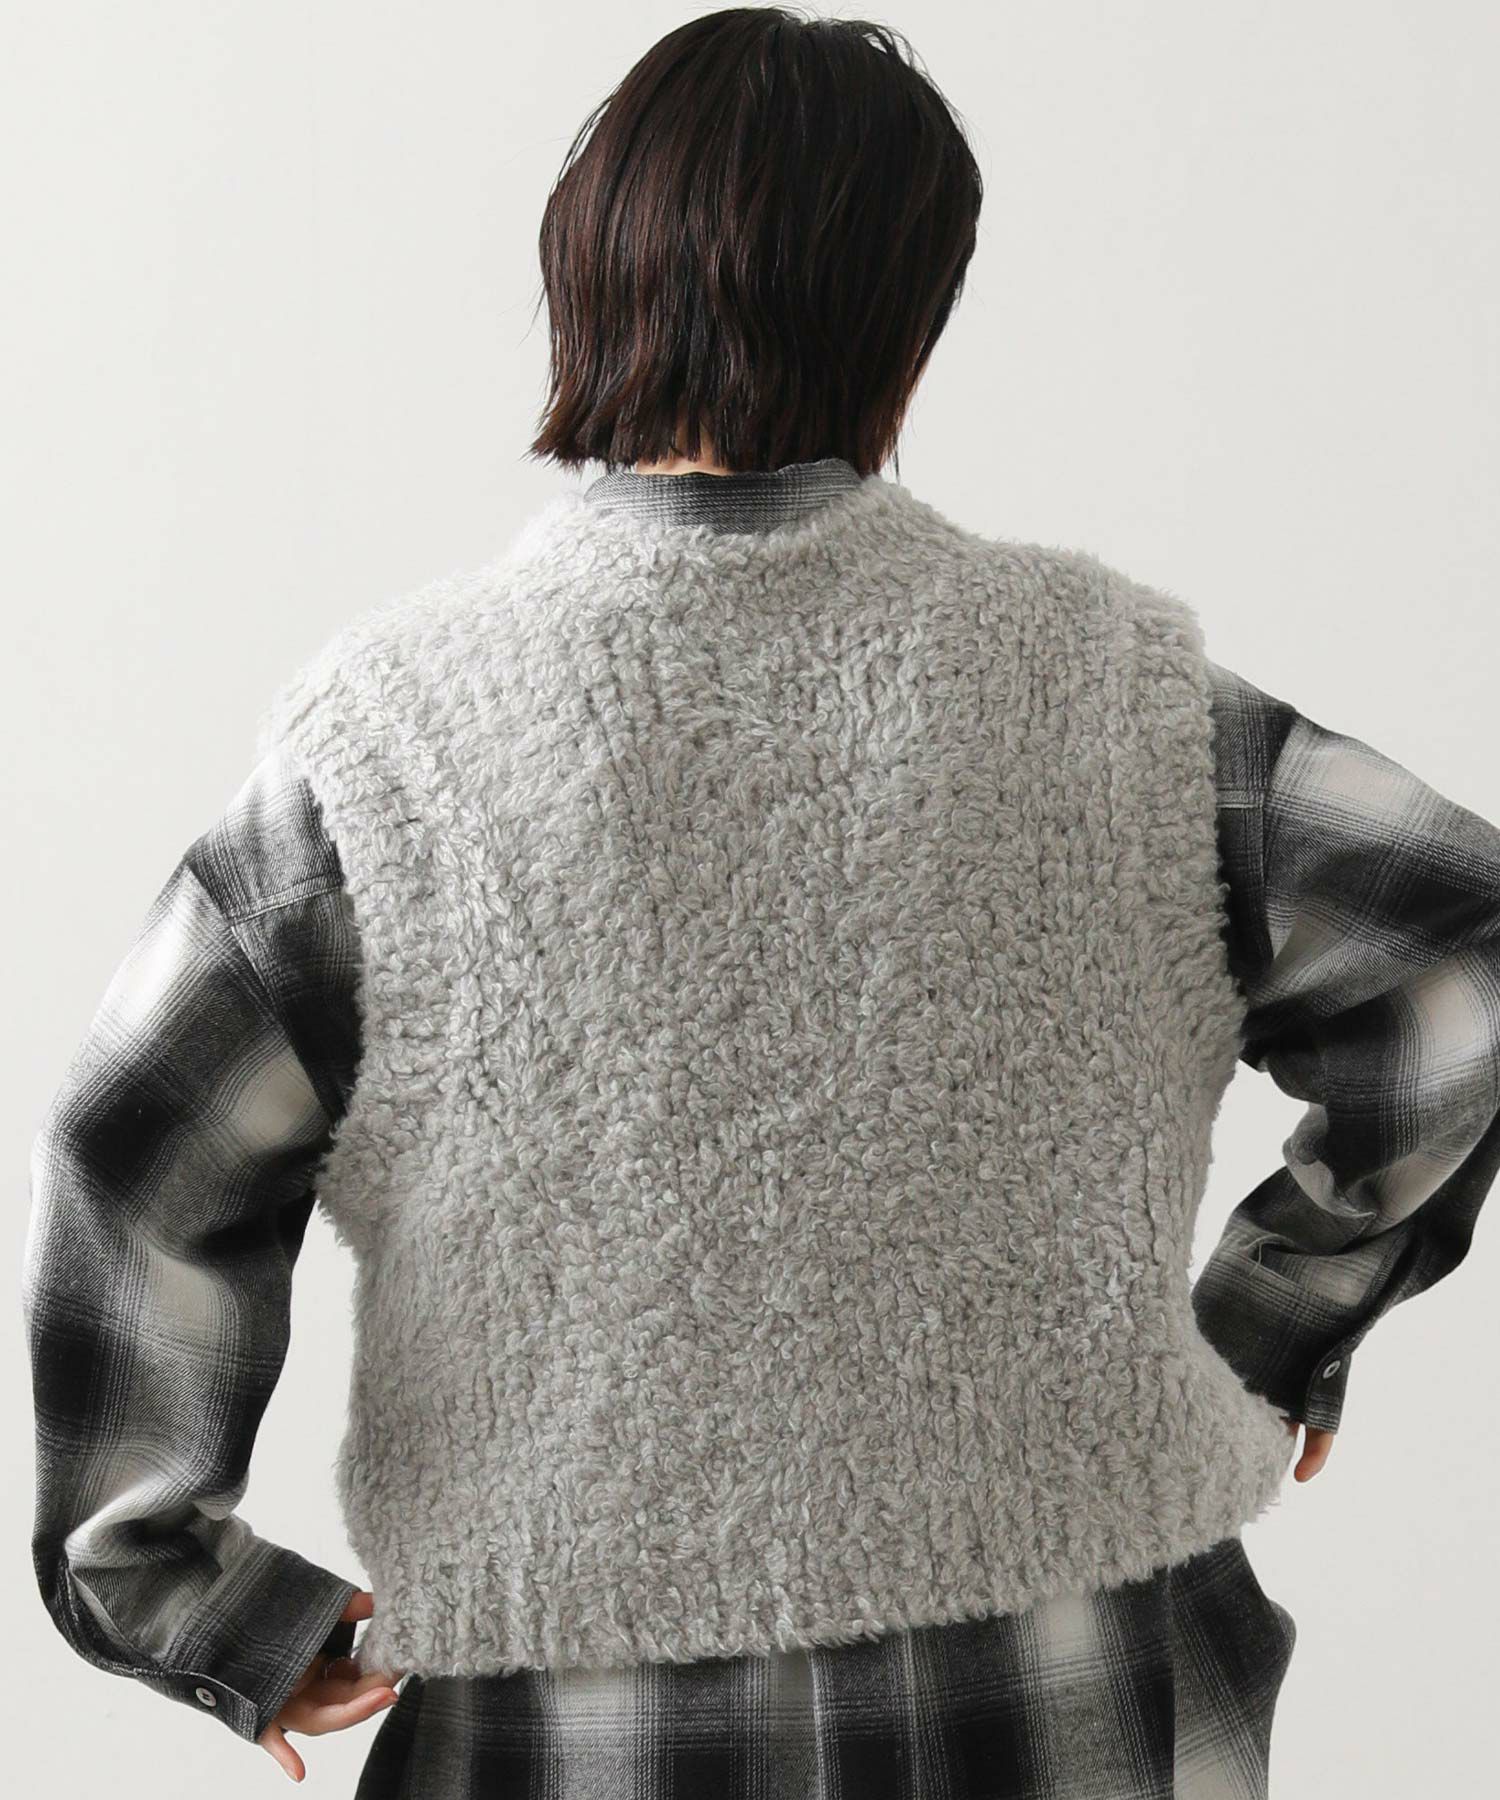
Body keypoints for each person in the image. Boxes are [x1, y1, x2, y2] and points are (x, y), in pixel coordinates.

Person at [22, 10, 1498, 1797]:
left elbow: (146, 1152)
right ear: (912, 327)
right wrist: (1272, 1329)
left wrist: (184, 1593)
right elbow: (1462, 954)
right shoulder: (1123, 700)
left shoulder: (391, 749)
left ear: (585, 285)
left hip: (571, 1736)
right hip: (1080, 1700)